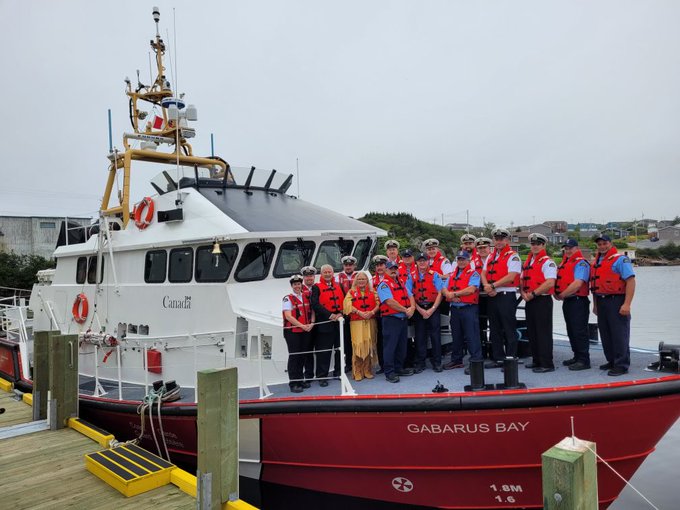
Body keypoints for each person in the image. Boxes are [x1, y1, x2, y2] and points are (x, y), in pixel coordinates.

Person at [590, 234, 635, 376]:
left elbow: (631, 281)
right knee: (605, 333)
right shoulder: (597, 261)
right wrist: (596, 305)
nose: (602, 246)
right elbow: (595, 286)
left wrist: (627, 304)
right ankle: (611, 360)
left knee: (619, 334)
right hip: (601, 301)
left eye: (605, 243)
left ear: (610, 243)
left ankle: (621, 364)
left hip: (617, 300)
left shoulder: (621, 260)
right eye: (600, 244)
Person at [481, 228, 521, 368]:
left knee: (509, 328)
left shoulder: (513, 256)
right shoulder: (491, 256)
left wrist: (493, 286)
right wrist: (487, 286)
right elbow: (483, 273)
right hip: (492, 295)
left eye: (501, 239)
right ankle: (498, 358)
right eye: (496, 239)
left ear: (507, 240)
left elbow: (511, 276)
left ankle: (511, 359)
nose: (498, 242)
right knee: (495, 328)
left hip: (506, 295)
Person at [519, 233, 557, 373]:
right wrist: (523, 293)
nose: (535, 246)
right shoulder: (528, 262)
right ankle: (537, 360)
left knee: (543, 333)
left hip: (542, 300)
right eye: (533, 244)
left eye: (538, 244)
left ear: (543, 245)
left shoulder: (548, 262)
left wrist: (533, 294)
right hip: (529, 300)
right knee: (533, 332)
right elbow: (522, 280)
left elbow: (550, 282)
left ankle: (547, 363)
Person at [554, 239, 591, 371]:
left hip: (578, 301)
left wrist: (562, 294)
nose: (568, 251)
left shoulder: (581, 263)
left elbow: (578, 283)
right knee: (571, 330)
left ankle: (584, 360)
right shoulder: (565, 263)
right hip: (568, 301)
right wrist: (556, 293)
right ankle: (577, 356)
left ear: (577, 248)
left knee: (579, 331)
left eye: (570, 248)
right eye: (566, 248)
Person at [443, 250, 483, 372]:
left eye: (463, 259)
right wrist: (449, 295)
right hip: (455, 309)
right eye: (459, 259)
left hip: (468, 309)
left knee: (472, 336)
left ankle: (475, 361)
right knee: (456, 336)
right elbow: (443, 288)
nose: (461, 261)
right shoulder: (452, 275)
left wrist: (454, 293)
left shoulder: (474, 274)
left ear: (468, 261)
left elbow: (471, 289)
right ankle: (457, 360)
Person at [376, 260, 416, 382]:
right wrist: (406, 310)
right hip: (391, 319)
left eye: (395, 268)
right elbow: (389, 301)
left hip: (403, 319)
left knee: (402, 346)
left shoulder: (401, 282)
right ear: (386, 270)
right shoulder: (383, 284)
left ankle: (399, 368)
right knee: (390, 346)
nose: (393, 270)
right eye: (390, 268)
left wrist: (412, 308)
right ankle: (389, 372)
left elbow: (410, 296)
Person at [409, 252, 444, 372]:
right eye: (420, 260)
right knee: (420, 336)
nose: (422, 262)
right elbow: (409, 294)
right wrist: (419, 309)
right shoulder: (411, 276)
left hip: (433, 308)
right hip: (418, 309)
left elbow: (440, 292)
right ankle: (420, 362)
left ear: (428, 261)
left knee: (435, 336)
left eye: (424, 260)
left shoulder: (435, 275)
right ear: (416, 262)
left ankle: (437, 362)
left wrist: (432, 309)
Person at [311, 264, 344, 386]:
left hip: (339, 322)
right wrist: (330, 315)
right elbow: (315, 304)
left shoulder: (339, 285)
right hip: (325, 323)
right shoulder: (316, 287)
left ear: (332, 273)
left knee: (339, 349)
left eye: (329, 272)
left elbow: (344, 300)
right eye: (325, 272)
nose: (328, 274)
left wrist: (340, 313)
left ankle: (338, 372)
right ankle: (322, 376)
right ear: (321, 273)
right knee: (324, 351)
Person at [343, 272, 380, 381]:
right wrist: (359, 312)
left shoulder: (373, 291)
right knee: (358, 345)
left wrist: (372, 312)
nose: (361, 281)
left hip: (370, 320)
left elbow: (378, 304)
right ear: (356, 281)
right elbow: (347, 305)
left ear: (367, 280)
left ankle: (367, 370)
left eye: (363, 279)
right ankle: (357, 371)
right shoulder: (351, 292)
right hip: (356, 322)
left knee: (369, 344)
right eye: (359, 279)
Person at [282, 275, 314, 392]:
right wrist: (302, 326)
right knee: (294, 356)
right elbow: (288, 316)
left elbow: (312, 311)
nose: (297, 286)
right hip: (292, 332)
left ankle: (300, 380)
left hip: (305, 330)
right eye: (294, 284)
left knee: (303, 356)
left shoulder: (306, 296)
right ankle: (293, 383)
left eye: (299, 284)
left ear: (301, 285)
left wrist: (312, 323)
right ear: (292, 286)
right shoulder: (287, 299)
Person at [336, 255, 358, 372]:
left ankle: (359, 362)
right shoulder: (337, 278)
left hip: (358, 312)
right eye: (346, 265)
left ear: (354, 265)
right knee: (346, 339)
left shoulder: (359, 276)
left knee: (358, 339)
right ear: (343, 266)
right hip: (345, 313)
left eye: (350, 265)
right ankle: (348, 363)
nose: (348, 267)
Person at [475, 237, 493, 353]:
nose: (482, 250)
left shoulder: (495, 260)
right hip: (478, 297)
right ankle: (481, 349)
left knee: (494, 324)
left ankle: (492, 349)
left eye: (484, 247)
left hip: (493, 295)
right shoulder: (472, 262)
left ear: (489, 248)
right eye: (480, 248)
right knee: (480, 325)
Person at [371, 254, 388, 372]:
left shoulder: (392, 278)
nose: (379, 267)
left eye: (381, 265)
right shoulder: (371, 281)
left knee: (390, 339)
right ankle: (382, 364)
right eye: (377, 265)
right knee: (380, 340)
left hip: (390, 313)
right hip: (378, 315)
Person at [300, 265, 317, 380]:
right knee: (307, 350)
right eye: (306, 276)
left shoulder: (317, 288)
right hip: (306, 324)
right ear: (303, 278)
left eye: (311, 275)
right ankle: (309, 374)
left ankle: (321, 373)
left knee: (321, 348)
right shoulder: (299, 289)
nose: (309, 278)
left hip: (318, 322)